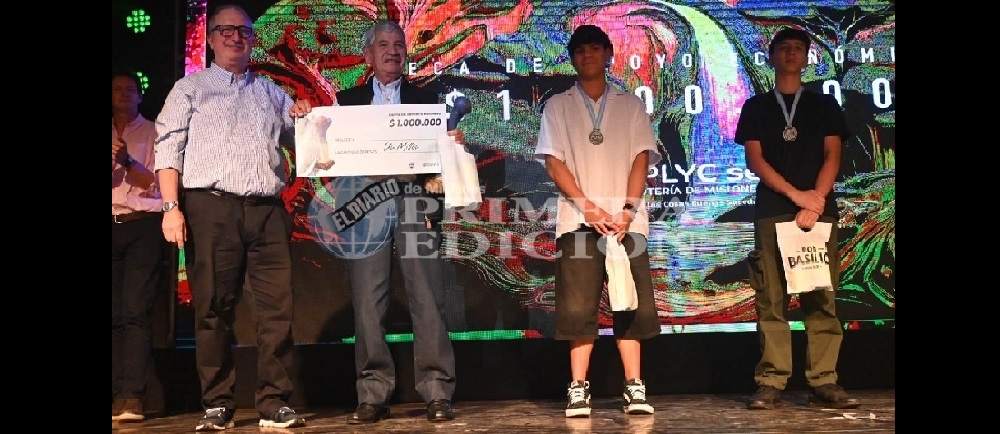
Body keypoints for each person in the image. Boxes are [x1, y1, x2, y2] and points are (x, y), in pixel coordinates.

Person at [154, 4, 312, 430]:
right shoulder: (189, 89)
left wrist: (303, 116)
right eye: (225, 30)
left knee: (276, 310)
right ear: (210, 39)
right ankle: (217, 402)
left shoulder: (271, 92)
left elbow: (305, 143)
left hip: (266, 210)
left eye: (243, 31)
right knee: (212, 308)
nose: (235, 37)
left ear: (253, 39)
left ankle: (274, 401)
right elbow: (167, 150)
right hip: (211, 208)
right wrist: (171, 208)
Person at [336, 20, 460, 424]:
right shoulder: (346, 102)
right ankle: (372, 393)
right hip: (366, 207)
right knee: (368, 304)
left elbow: (439, 163)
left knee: (428, 298)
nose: (393, 51)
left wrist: (433, 207)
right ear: (368, 55)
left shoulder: (427, 101)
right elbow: (327, 153)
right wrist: (307, 120)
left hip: (414, 204)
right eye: (383, 44)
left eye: (399, 44)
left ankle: (437, 390)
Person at [534, 24, 661, 418]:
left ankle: (635, 386)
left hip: (627, 224)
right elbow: (554, 163)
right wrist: (588, 208)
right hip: (577, 221)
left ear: (608, 54)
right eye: (579, 50)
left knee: (630, 304)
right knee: (577, 309)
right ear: (572, 58)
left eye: (594, 48)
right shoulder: (558, 105)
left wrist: (627, 210)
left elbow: (641, 157)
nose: (587, 55)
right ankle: (577, 388)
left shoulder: (630, 104)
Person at [734, 27, 861, 410]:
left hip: (819, 213)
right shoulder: (756, 107)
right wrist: (797, 196)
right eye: (784, 48)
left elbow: (833, 156)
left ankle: (824, 379)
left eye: (798, 49)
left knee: (820, 297)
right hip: (774, 211)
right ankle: (771, 380)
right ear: (771, 56)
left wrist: (815, 201)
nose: (791, 54)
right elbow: (755, 161)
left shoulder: (824, 105)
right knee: (771, 300)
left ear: (807, 59)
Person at [112, 69, 164, 423]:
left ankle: (131, 396)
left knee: (134, 311)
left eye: (130, 89)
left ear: (140, 96)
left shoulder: (154, 132)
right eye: (117, 89)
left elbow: (159, 185)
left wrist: (128, 161)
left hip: (142, 226)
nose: (123, 94)